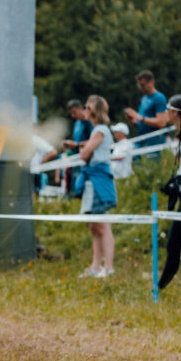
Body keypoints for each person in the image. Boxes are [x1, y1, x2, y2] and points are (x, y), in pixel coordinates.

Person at [158, 94, 181, 300]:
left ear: (176, 112)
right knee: (173, 244)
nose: (166, 112)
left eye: (168, 108)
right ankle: (158, 289)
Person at [76, 95, 117, 278]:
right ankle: (95, 266)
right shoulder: (98, 131)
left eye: (86, 107)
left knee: (102, 225)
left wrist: (82, 151)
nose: (84, 110)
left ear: (92, 110)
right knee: (94, 226)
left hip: (98, 180)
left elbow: (85, 154)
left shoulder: (100, 130)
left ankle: (108, 267)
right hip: (92, 179)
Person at [124, 70, 168, 154]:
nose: (141, 88)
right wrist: (131, 119)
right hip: (141, 142)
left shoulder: (159, 98)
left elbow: (162, 123)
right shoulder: (144, 98)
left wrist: (141, 118)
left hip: (154, 144)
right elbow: (140, 123)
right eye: (139, 85)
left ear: (151, 82)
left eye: (143, 85)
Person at [62, 99, 93, 195]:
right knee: (74, 189)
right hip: (77, 159)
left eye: (74, 112)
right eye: (71, 114)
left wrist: (77, 144)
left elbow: (94, 141)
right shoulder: (76, 124)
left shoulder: (89, 122)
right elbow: (76, 142)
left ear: (81, 108)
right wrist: (69, 145)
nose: (73, 116)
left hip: (88, 161)